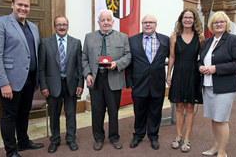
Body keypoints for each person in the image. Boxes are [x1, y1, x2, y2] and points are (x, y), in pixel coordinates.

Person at [0, 0, 44, 157]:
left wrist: (36, 79)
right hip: (9, 81)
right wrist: (3, 83)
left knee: (24, 113)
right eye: (20, 4)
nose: (23, 8)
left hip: (29, 80)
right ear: (12, 5)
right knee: (9, 116)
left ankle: (23, 142)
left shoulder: (33, 27)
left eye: (26, 6)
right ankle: (11, 151)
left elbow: (33, 53)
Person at [82, 9, 131, 151]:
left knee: (113, 111)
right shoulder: (89, 37)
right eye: (103, 20)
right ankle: (98, 138)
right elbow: (84, 58)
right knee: (97, 111)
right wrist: (87, 74)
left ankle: (114, 137)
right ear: (98, 22)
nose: (106, 22)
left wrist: (117, 64)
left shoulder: (122, 37)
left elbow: (128, 56)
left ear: (113, 21)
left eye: (108, 20)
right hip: (96, 80)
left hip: (114, 79)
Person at [198, 11, 236, 157]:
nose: (219, 24)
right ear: (212, 25)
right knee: (214, 117)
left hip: (225, 87)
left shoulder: (234, 40)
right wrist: (200, 67)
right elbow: (201, 59)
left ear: (226, 24)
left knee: (221, 119)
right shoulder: (207, 42)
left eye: (222, 21)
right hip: (209, 86)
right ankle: (216, 146)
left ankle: (222, 152)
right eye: (216, 22)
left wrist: (217, 68)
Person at [39, 15, 84, 153]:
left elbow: (79, 66)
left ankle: (71, 139)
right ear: (54, 26)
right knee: (54, 114)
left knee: (71, 114)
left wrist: (80, 84)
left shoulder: (76, 42)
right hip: (52, 86)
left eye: (64, 24)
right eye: (58, 24)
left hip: (71, 84)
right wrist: (44, 86)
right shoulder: (45, 42)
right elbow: (42, 67)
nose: (61, 27)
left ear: (68, 26)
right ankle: (55, 140)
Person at [126, 14, 169, 150]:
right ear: (141, 24)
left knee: (155, 112)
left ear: (156, 24)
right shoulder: (132, 40)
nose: (148, 24)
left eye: (151, 22)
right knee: (139, 112)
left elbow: (173, 57)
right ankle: (138, 135)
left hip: (157, 83)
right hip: (139, 84)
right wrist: (129, 82)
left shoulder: (165, 40)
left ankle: (153, 136)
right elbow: (129, 63)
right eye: (145, 22)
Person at [166, 8, 205, 152]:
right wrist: (168, 74)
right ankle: (178, 136)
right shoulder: (174, 37)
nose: (187, 20)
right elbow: (172, 57)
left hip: (193, 75)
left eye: (190, 17)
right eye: (185, 17)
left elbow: (203, 55)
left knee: (189, 108)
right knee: (179, 107)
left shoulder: (200, 36)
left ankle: (187, 138)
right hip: (178, 75)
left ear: (194, 20)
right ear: (181, 19)